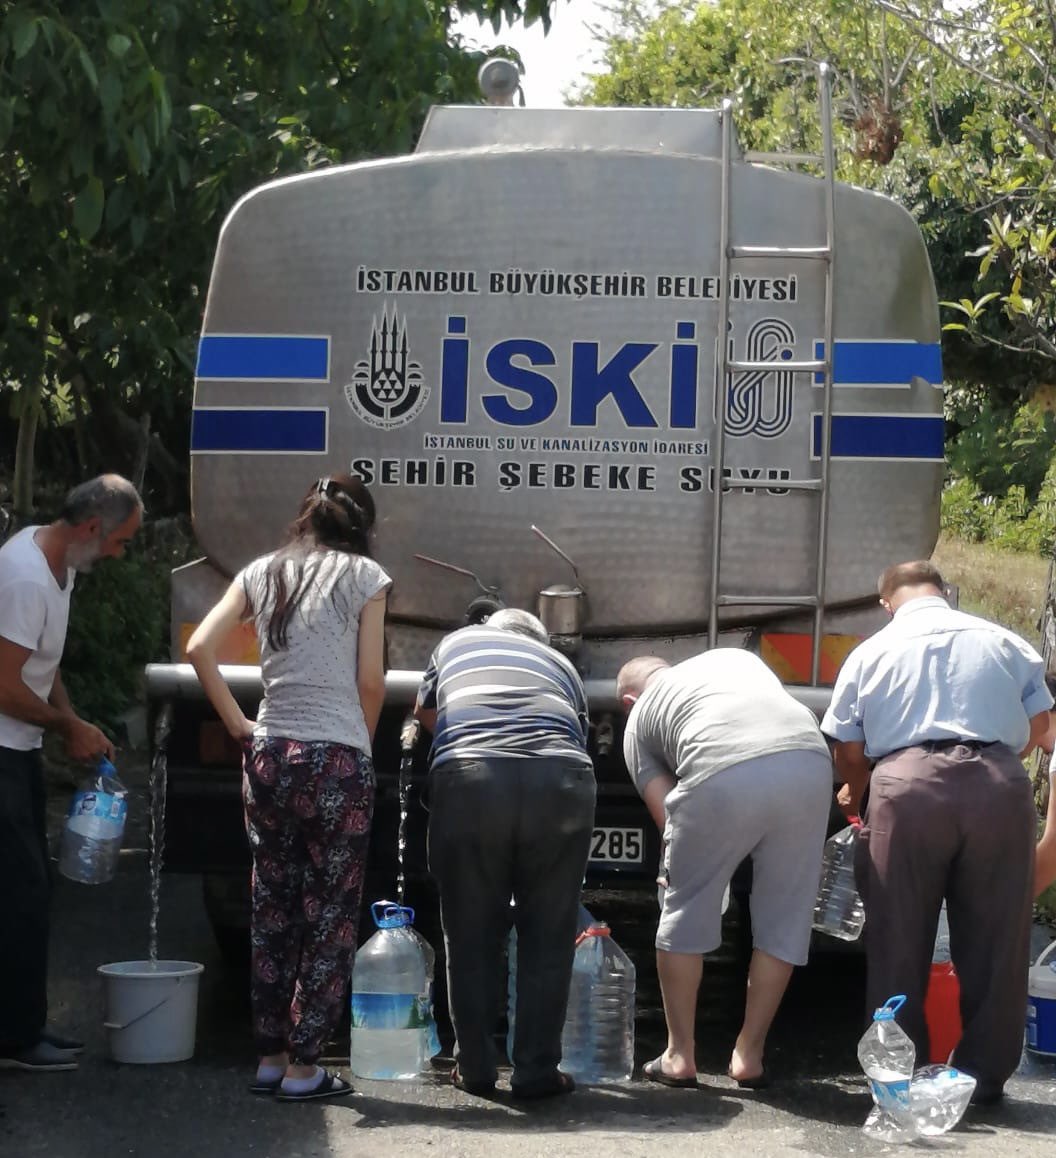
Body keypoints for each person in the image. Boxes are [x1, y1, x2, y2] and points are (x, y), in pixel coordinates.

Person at [187, 475, 389, 1102]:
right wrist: (359, 739)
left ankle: (270, 1056)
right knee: (329, 912)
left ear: (305, 518)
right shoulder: (364, 577)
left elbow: (198, 648)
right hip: (336, 760)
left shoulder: (260, 573)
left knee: (271, 905)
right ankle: (307, 1066)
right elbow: (373, 681)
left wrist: (237, 724)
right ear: (360, 529)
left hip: (270, 756)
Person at [822, 560, 1052, 1105]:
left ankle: (898, 1075)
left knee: (898, 937)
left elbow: (847, 748)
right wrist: (989, 762)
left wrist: (857, 788)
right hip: (998, 787)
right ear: (944, 592)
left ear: (886, 602)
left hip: (906, 787)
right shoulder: (1006, 643)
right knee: (998, 938)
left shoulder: (870, 652)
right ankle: (983, 1078)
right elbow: (1042, 729)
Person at [617, 649, 832, 1090]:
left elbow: (669, 818)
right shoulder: (735, 659)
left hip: (722, 763)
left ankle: (679, 1056)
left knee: (685, 907)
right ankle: (749, 1055)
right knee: (785, 917)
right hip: (809, 759)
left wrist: (687, 872)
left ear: (627, 701)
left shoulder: (639, 722)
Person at [414, 608, 596, 1099]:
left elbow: (426, 713)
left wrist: (471, 743)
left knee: (470, 929)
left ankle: (474, 1067)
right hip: (560, 779)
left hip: (472, 780)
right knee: (548, 932)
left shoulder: (459, 641)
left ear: (492, 630)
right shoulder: (562, 665)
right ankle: (536, 1072)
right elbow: (575, 732)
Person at [0, 474, 142, 1072]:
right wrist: (66, 729)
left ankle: (24, 1027)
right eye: (120, 541)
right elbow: (3, 682)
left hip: (20, 745)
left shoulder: (63, 566)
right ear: (91, 528)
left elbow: (42, 660)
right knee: (20, 891)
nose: (120, 553)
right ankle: (14, 1039)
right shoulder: (25, 576)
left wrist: (69, 717)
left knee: (30, 891)